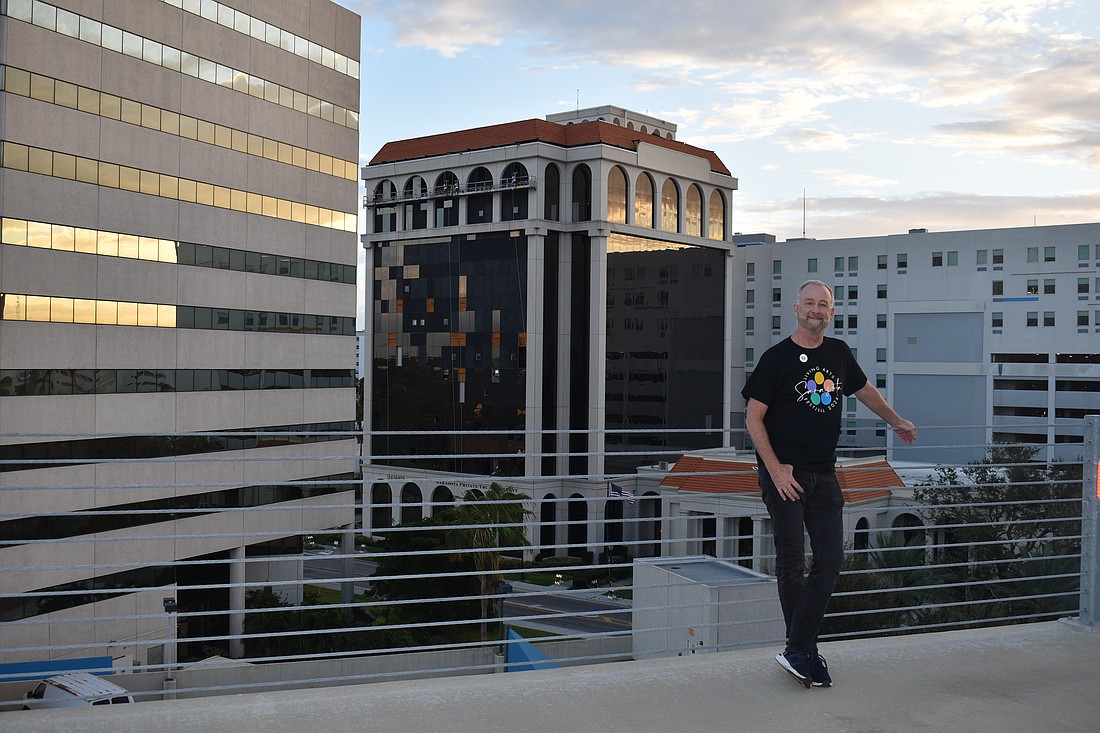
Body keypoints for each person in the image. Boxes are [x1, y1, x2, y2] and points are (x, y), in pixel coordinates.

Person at [741, 279, 917, 688]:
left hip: (825, 473)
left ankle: (797, 649)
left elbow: (865, 390)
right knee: (791, 561)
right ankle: (804, 651)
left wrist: (896, 420)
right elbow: (753, 418)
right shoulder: (776, 358)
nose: (816, 310)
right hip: (785, 475)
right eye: (809, 303)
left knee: (832, 559)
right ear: (796, 309)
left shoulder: (838, 353)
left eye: (824, 304)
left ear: (831, 312)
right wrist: (776, 469)